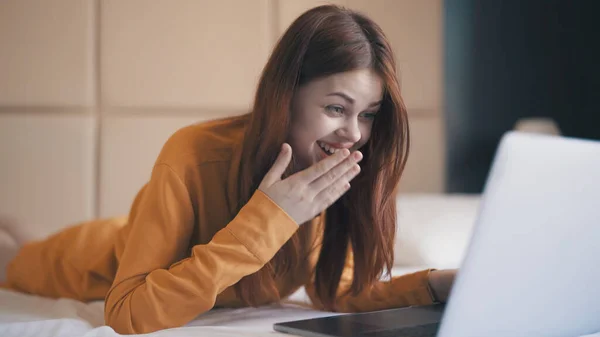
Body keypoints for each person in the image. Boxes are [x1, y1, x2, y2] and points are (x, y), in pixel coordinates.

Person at [2, 4, 456, 335]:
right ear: (286, 94)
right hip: (97, 259)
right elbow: (126, 312)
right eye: (337, 107)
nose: (354, 133)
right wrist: (269, 219)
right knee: (21, 260)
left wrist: (438, 284)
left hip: (130, 231)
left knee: (31, 235)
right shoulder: (194, 154)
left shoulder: (332, 169)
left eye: (370, 114)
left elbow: (335, 286)